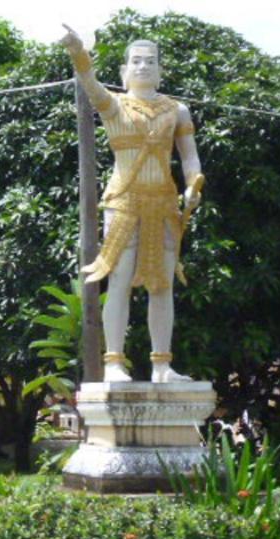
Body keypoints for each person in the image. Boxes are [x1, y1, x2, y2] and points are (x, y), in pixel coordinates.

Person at [60, 27, 203, 383]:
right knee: (120, 280)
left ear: (160, 70)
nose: (143, 67)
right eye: (136, 62)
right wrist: (79, 53)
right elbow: (90, 83)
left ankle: (161, 365)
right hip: (124, 202)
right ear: (124, 70)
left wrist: (193, 184)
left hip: (164, 203)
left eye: (150, 62)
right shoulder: (114, 105)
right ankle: (113, 363)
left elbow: (189, 158)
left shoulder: (177, 111)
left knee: (162, 285)